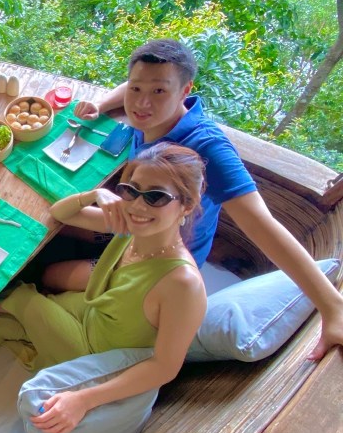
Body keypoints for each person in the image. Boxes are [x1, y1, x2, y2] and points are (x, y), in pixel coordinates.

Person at [44, 38, 343, 361]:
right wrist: (102, 105)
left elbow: (261, 224)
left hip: (155, 262)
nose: (142, 103)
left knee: (48, 275)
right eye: (136, 89)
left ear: (185, 90)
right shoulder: (150, 116)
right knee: (53, 223)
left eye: (159, 91)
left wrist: (332, 307)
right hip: (131, 230)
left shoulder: (206, 146)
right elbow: (136, 85)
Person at [0, 144, 207, 433]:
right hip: (94, 313)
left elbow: (165, 367)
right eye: (131, 190)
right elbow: (60, 213)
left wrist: (84, 400)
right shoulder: (131, 226)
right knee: (17, 309)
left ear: (187, 205)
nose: (138, 206)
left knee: (23, 298)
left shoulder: (182, 284)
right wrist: (95, 195)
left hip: (96, 353)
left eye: (156, 196)